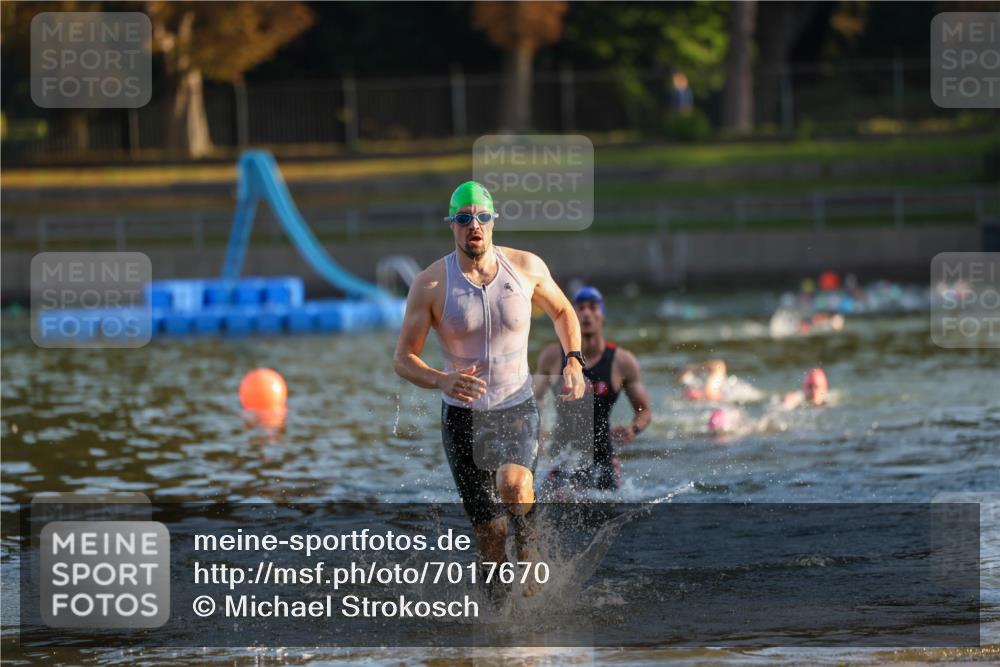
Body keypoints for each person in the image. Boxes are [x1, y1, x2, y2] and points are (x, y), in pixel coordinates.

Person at [393, 181, 586, 593]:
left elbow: (563, 310)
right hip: (463, 419)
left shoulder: (526, 266)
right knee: (491, 539)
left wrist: (574, 360)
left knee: (514, 487)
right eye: (464, 219)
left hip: (516, 405)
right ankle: (500, 627)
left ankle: (530, 545)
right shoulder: (431, 284)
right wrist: (443, 379)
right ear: (452, 225)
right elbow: (403, 359)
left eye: (481, 217)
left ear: (493, 222)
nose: (473, 225)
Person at [534, 287, 651, 493]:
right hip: (562, 456)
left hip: (603, 455)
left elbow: (644, 412)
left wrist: (632, 430)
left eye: (593, 307)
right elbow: (534, 400)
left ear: (602, 314)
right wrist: (537, 432)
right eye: (580, 308)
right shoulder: (552, 357)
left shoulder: (622, 361)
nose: (586, 313)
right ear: (572, 316)